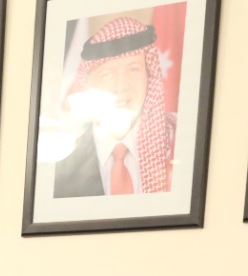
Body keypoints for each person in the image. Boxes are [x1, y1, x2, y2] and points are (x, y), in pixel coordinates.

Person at [54, 18, 174, 197]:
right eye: (107, 74)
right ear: (89, 86)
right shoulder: (62, 159)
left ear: (149, 76)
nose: (121, 86)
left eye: (133, 69)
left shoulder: (176, 142)